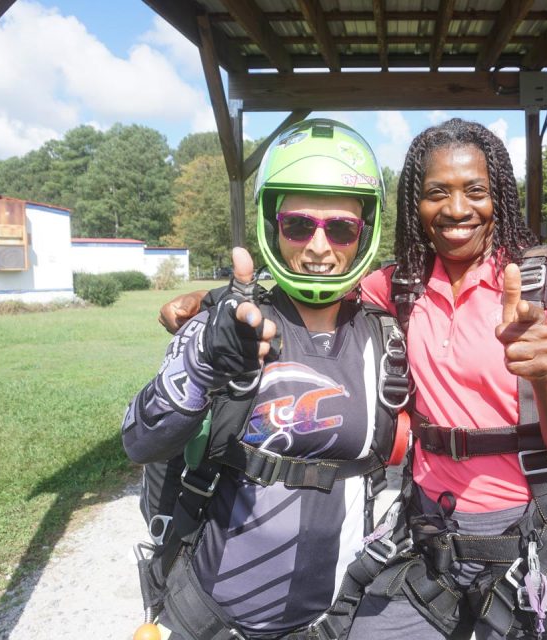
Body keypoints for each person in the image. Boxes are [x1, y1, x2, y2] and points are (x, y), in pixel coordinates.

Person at [161, 118, 547, 639]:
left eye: (476, 191)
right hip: (427, 533)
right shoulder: (398, 286)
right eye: (437, 192)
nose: (457, 208)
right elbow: (306, 279)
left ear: (499, 198)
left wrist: (545, 373)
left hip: (526, 531)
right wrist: (212, 302)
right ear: (414, 206)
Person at [122, 119, 410, 640]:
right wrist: (205, 364)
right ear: (272, 226)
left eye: (341, 228)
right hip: (211, 620)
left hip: (335, 621)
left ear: (364, 234)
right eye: (299, 225)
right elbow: (140, 441)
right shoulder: (226, 325)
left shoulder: (388, 340)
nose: (320, 247)